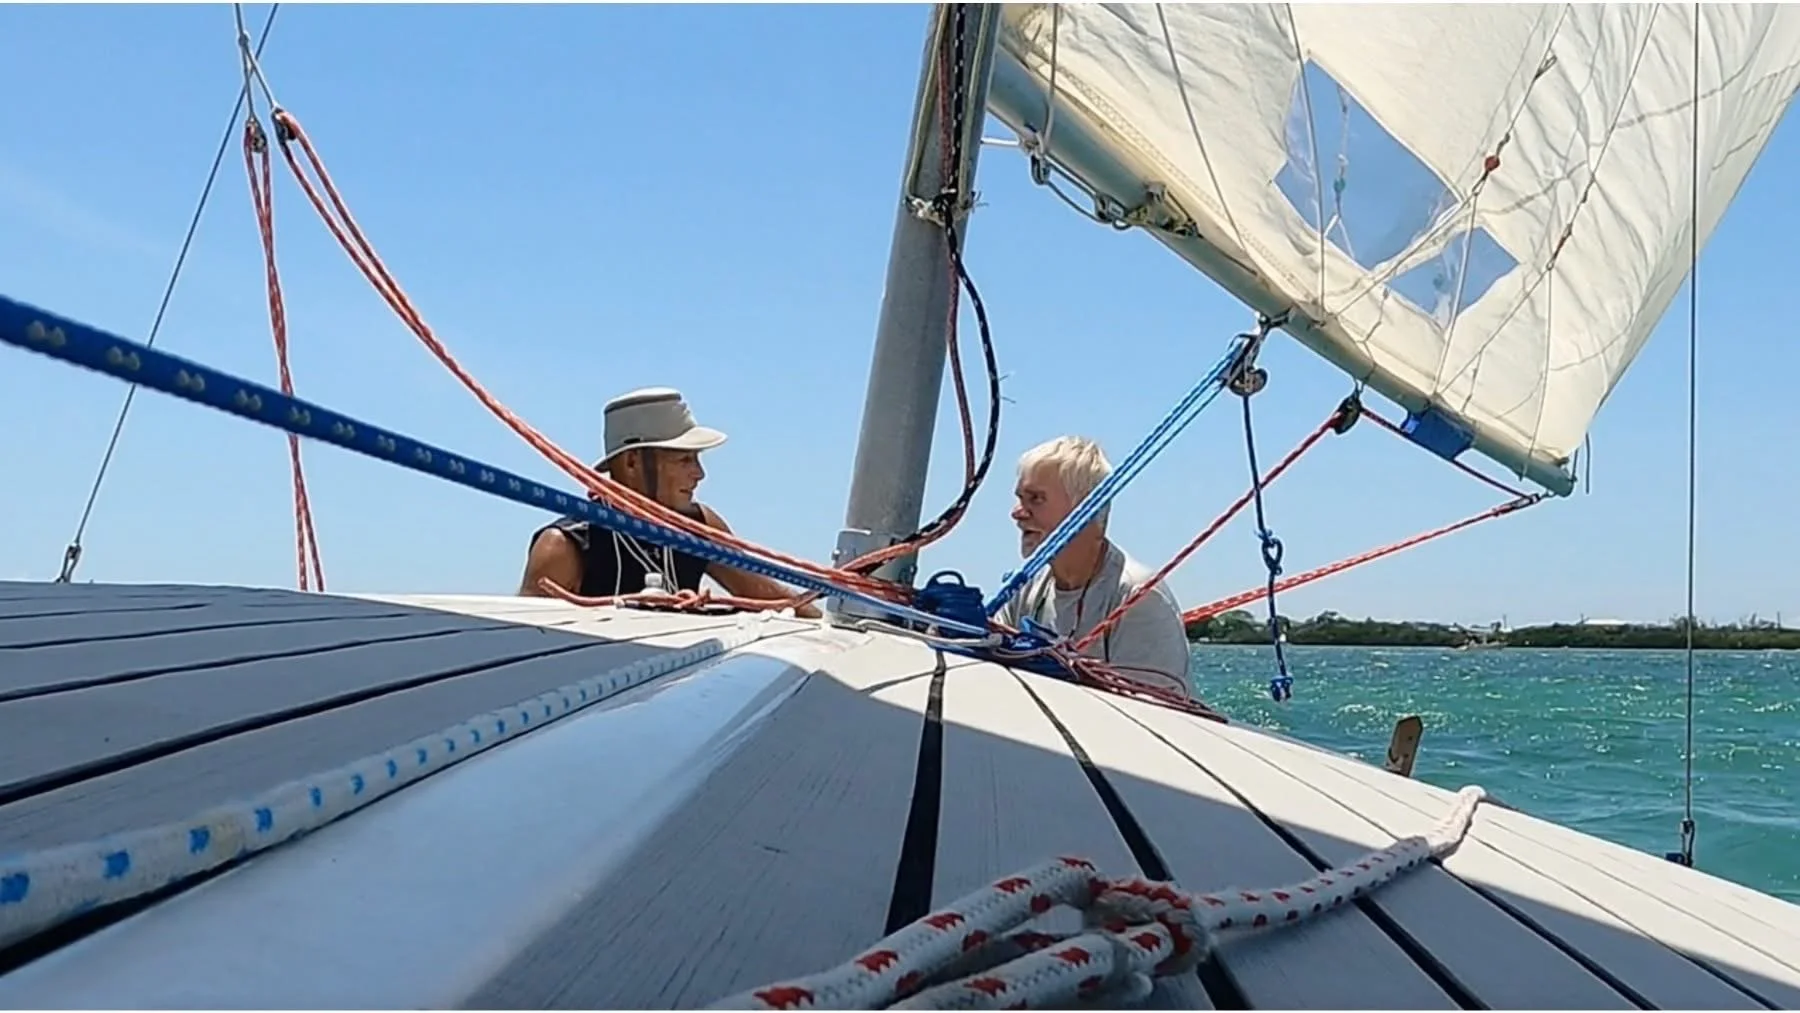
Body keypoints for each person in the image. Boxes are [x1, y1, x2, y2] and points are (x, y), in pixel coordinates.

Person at [518, 386, 821, 618]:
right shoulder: (563, 546)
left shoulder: (699, 525)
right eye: (685, 459)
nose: (699, 474)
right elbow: (525, 651)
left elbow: (760, 593)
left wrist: (825, 622)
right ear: (633, 463)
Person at [997, 435, 1191, 696]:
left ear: (1085, 510)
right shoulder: (1025, 588)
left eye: (1035, 498)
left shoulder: (1138, 597)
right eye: (1020, 498)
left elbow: (1158, 717)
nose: (1017, 512)